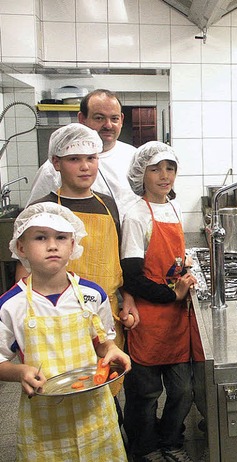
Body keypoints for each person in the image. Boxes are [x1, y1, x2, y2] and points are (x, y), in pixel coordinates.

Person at [0, 202, 131, 460]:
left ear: (73, 245)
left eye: (61, 237)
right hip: (44, 418)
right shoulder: (10, 305)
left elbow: (103, 341)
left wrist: (113, 351)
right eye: (41, 237)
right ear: (21, 247)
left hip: (94, 413)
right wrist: (20, 372)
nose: (52, 245)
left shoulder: (93, 295)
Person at [27, 123, 136, 400]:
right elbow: (25, 270)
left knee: (106, 391)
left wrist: (129, 299)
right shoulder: (43, 208)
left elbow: (119, 260)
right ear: (56, 163)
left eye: (91, 158)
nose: (85, 166)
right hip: (57, 317)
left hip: (104, 315)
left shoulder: (108, 204)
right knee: (63, 389)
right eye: (74, 159)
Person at [120, 142, 203, 462]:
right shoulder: (136, 214)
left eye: (170, 168)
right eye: (155, 169)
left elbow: (171, 255)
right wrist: (172, 294)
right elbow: (132, 277)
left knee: (183, 390)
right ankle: (145, 447)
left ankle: (170, 438)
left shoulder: (173, 206)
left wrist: (185, 267)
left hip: (175, 317)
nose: (164, 175)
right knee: (145, 393)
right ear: (142, 174)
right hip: (148, 315)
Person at [28, 89, 137, 217]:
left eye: (114, 118)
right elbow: (34, 217)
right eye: (99, 118)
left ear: (121, 120)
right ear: (82, 119)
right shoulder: (53, 168)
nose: (108, 125)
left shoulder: (134, 157)